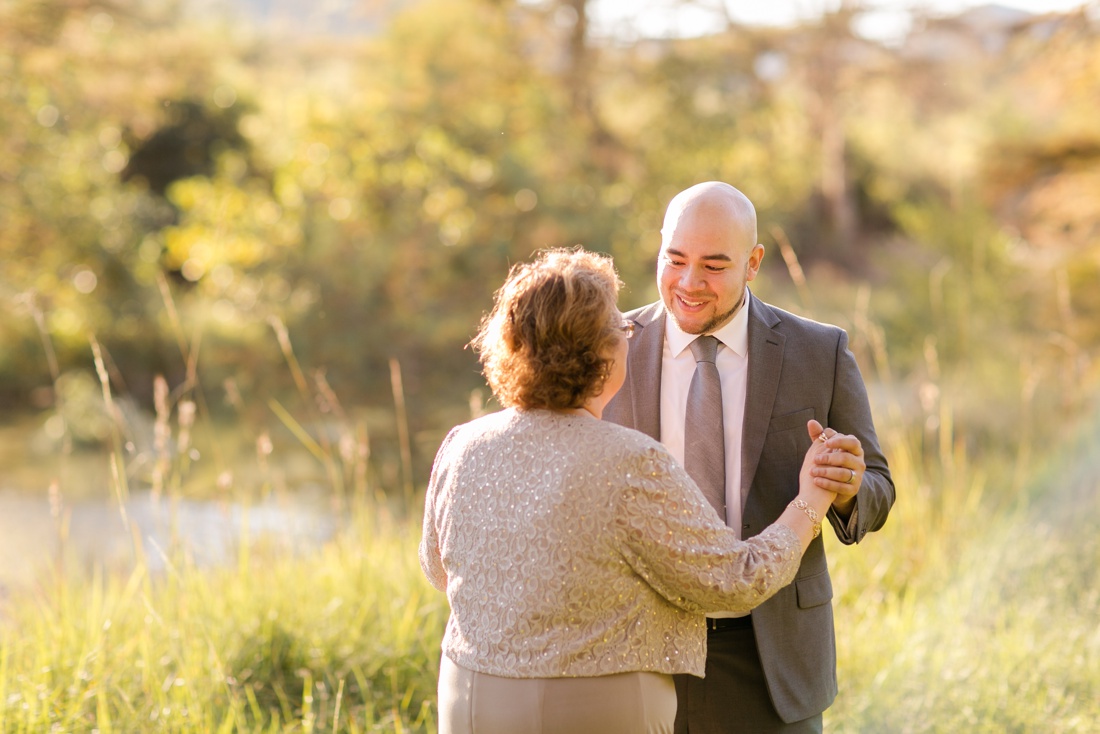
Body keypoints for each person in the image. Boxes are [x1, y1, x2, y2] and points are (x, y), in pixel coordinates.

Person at [419, 247, 864, 734]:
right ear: (604, 352)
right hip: (593, 708)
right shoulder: (630, 462)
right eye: (622, 329)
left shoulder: (462, 444)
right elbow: (738, 579)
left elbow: (438, 568)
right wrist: (812, 496)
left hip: (470, 698)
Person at [603, 181, 895, 732]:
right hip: (638, 652)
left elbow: (878, 487)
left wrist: (853, 485)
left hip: (771, 658)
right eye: (676, 259)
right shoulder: (610, 344)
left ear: (753, 262)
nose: (689, 284)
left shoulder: (819, 351)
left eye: (714, 266)